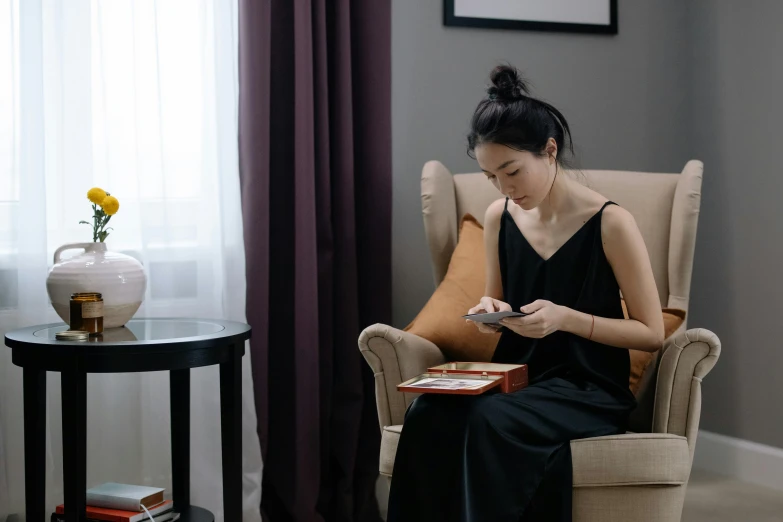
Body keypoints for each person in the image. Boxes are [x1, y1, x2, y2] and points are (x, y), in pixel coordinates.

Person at [386, 65, 664, 522]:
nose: (504, 188)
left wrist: (566, 318)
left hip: (587, 388)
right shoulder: (499, 216)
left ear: (550, 151)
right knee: (427, 412)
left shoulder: (611, 224)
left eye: (512, 171)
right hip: (516, 376)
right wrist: (489, 309)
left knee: (484, 422)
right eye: (491, 176)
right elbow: (496, 298)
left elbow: (651, 333)